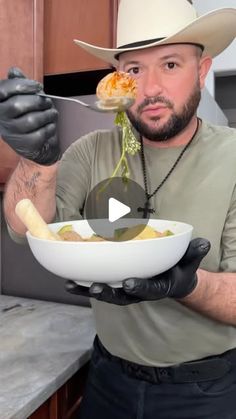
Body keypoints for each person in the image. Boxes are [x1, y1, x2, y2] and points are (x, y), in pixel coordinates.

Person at [1, 0, 236, 417]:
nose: (148, 90)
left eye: (169, 65)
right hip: (108, 377)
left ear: (201, 70)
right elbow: (25, 227)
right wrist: (37, 159)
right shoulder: (92, 149)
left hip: (206, 389)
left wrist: (185, 284)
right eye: (133, 70)